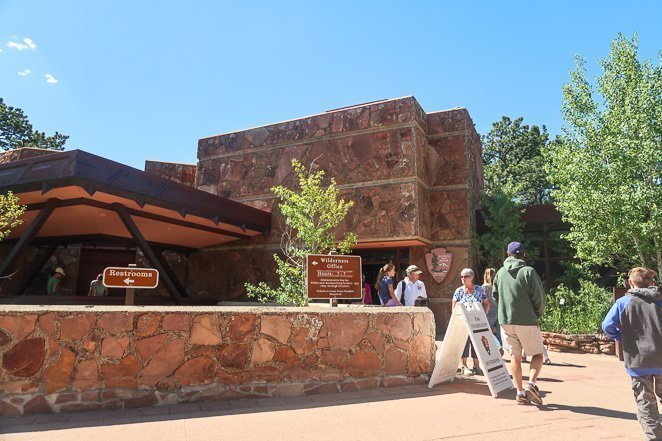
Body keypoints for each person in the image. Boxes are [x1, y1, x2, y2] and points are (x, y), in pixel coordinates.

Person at [602, 267, 661, 440]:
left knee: (645, 403)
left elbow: (607, 326)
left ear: (630, 282)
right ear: (652, 283)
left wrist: (622, 337)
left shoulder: (623, 302)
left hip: (638, 360)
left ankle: (655, 436)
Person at [493, 241, 546, 405]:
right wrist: (538, 313)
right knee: (537, 353)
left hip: (506, 320)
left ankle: (520, 392)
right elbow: (539, 297)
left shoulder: (500, 273)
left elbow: (495, 296)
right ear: (523, 254)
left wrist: (504, 311)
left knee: (514, 357)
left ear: (508, 254)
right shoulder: (528, 271)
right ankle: (531, 384)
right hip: (526, 319)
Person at [453, 268, 489, 376]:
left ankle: (476, 366)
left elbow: (486, 303)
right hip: (463, 323)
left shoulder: (479, 290)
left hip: (476, 322)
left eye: (466, 276)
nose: (463, 278)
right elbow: (454, 307)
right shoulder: (459, 291)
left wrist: (483, 315)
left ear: (472, 277)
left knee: (477, 343)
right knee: (464, 343)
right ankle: (464, 366)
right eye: (462, 276)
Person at [482, 268, 500, 346]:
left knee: (485, 331)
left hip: (489, 311)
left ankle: (495, 346)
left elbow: (483, 301)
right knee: (499, 332)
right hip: (499, 311)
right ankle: (499, 347)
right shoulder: (498, 286)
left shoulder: (484, 287)